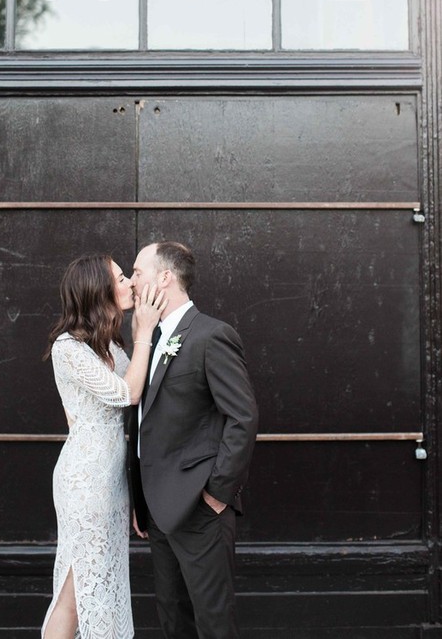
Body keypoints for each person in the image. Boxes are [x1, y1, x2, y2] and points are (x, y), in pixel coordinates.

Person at [129, 241, 259, 639]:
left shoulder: (211, 335)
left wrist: (217, 493)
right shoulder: (146, 340)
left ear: (164, 278)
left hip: (201, 510)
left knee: (213, 624)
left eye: (138, 273)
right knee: (174, 621)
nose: (131, 282)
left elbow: (242, 417)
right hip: (156, 512)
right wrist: (139, 498)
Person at [41, 253, 166, 639]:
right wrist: (144, 332)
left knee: (102, 581)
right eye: (121, 278)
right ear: (99, 290)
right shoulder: (68, 348)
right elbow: (128, 393)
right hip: (85, 481)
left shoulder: (108, 345)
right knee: (77, 588)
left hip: (110, 480)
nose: (130, 283)